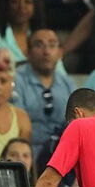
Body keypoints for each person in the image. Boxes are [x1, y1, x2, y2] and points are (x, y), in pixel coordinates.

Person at [13, 29, 76, 160]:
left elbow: (76, 121)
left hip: (63, 153)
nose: (46, 51)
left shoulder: (67, 83)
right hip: (29, 153)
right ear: (27, 52)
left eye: (52, 45)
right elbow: (18, 123)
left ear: (60, 52)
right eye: (38, 45)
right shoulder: (17, 79)